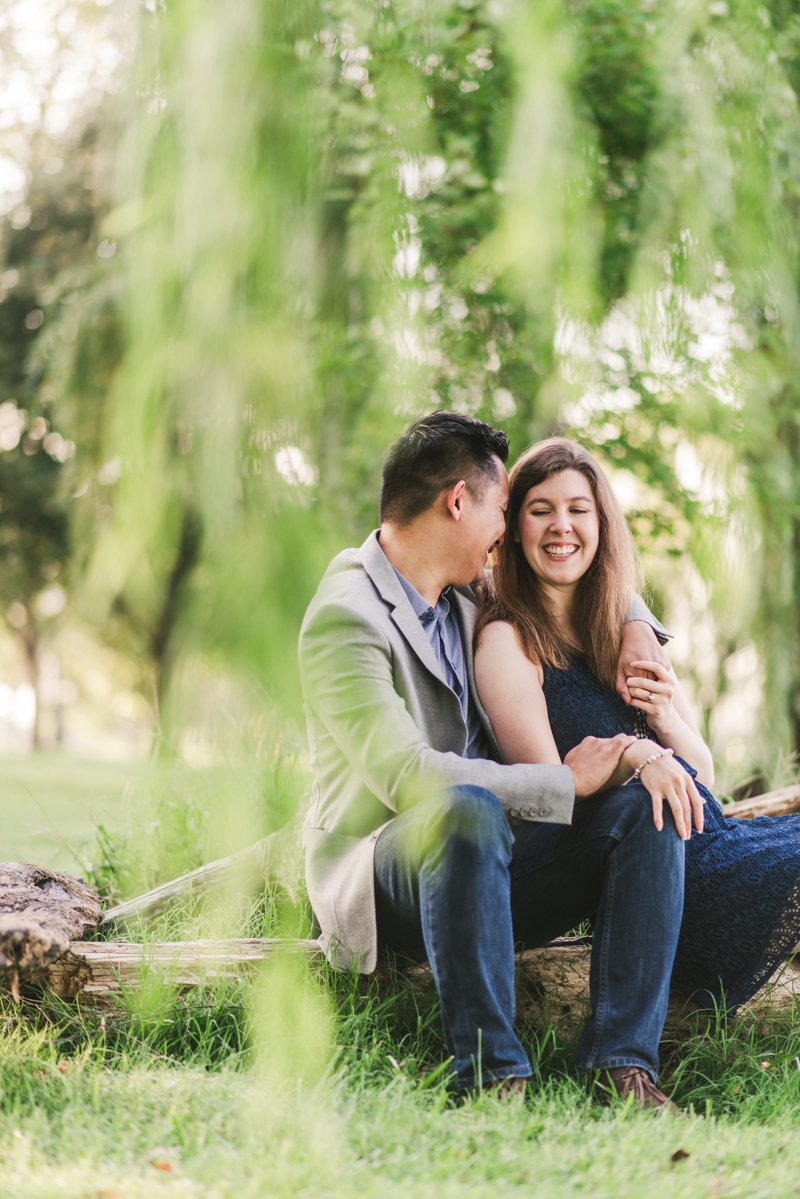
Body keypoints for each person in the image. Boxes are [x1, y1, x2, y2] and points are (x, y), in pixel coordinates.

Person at [299, 411, 702, 1106]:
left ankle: (623, 1064)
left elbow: (579, 562)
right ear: (459, 502)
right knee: (462, 808)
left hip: (489, 858)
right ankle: (493, 1075)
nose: (505, 532)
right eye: (503, 511)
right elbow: (405, 777)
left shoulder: (462, 586)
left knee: (643, 804)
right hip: (390, 869)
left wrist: (637, 626)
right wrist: (561, 781)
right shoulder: (347, 615)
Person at [475, 436, 800, 1052]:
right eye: (540, 509)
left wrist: (664, 718)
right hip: (660, 876)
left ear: (602, 524)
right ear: (514, 528)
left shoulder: (621, 631)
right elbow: (550, 795)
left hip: (713, 837)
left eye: (578, 509)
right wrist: (633, 752)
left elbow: (700, 771)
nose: (561, 526)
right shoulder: (507, 642)